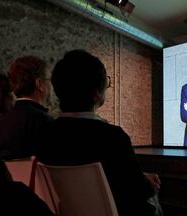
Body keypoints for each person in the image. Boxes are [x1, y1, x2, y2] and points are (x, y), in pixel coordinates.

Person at [36, 49, 162, 216]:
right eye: (106, 82)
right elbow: (138, 191)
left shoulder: (46, 134)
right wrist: (148, 183)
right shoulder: (113, 137)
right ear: (96, 93)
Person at [0, 56, 52, 160]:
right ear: (39, 84)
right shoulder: (44, 122)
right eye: (49, 79)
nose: (51, 86)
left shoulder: (1, 124)